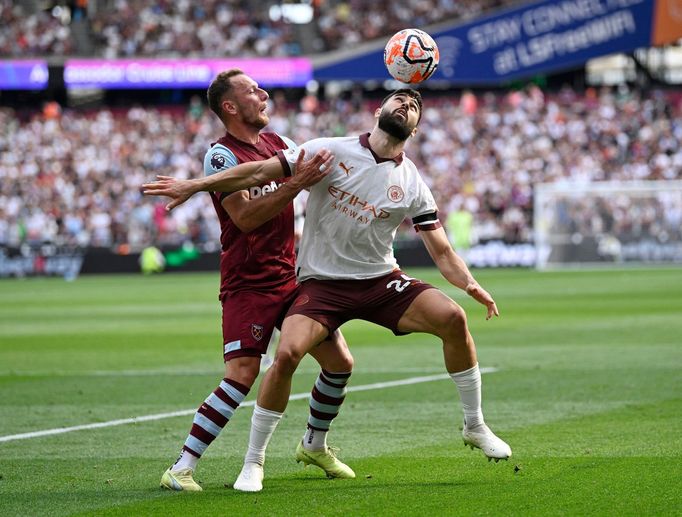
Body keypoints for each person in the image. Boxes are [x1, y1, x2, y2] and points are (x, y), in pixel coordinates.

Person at [143, 88, 512, 492]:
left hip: (376, 280)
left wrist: (470, 283)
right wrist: (196, 185)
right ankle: (243, 463)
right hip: (312, 283)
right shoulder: (325, 150)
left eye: (414, 106)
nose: (406, 106)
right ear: (377, 110)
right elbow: (254, 179)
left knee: (442, 322)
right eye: (398, 100)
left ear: (418, 127)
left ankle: (470, 426)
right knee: (277, 358)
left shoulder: (412, 182)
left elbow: (441, 249)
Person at [151, 69, 355, 493]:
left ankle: (314, 444)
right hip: (249, 282)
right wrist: (296, 183)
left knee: (339, 363)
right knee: (242, 374)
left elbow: (314, 168)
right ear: (230, 106)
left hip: (291, 276)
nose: (263, 94)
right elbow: (244, 217)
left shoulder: (278, 144)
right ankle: (181, 466)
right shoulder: (221, 157)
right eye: (252, 91)